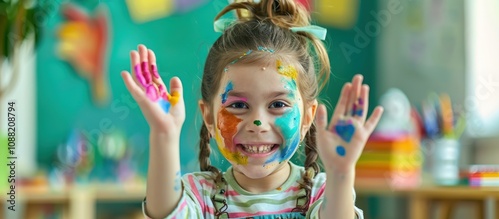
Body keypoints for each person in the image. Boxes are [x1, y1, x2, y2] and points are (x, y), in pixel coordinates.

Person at [120, 0, 384, 218]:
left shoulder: (323, 194)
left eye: (278, 105)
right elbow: (165, 213)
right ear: (209, 117)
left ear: (307, 118)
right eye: (238, 105)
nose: (257, 123)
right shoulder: (200, 195)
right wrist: (164, 134)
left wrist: (340, 172)